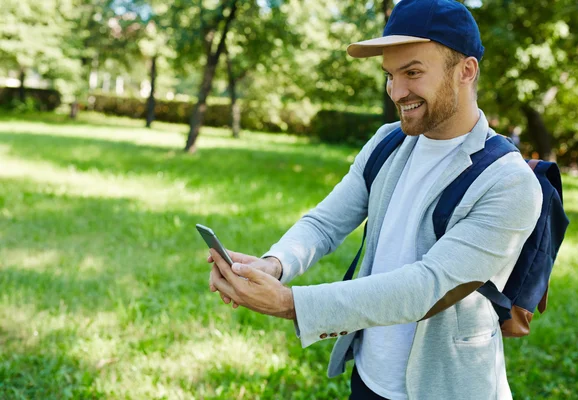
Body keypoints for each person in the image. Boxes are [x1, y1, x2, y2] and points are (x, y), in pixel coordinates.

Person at [208, 0, 543, 398]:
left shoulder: (509, 182)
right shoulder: (387, 142)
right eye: (389, 75)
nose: (396, 92)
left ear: (466, 71)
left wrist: (289, 303)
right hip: (368, 379)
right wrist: (274, 265)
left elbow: (427, 286)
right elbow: (325, 222)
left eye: (413, 73)